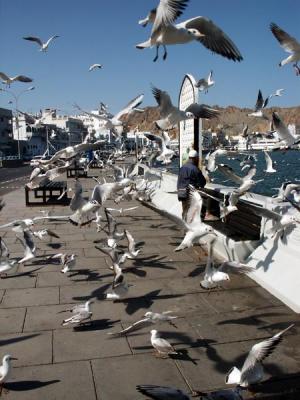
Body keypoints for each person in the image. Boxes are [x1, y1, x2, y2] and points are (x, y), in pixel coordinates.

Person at [177, 149, 218, 221]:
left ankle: (184, 224)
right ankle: (207, 215)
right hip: (190, 192)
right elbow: (202, 183)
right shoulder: (194, 168)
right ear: (195, 158)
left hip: (181, 192)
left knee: (185, 210)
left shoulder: (182, 167)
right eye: (197, 158)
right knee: (210, 194)